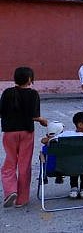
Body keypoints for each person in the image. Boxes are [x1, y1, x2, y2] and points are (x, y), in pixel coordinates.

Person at [1, 67, 48, 208]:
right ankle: (22, 199)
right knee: (24, 165)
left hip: (9, 132)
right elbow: (34, 115)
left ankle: (10, 191)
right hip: (27, 132)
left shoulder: (7, 93)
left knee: (9, 163)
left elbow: (1, 112)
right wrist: (42, 120)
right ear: (29, 79)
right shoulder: (33, 94)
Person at [56, 111, 83, 199]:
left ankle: (74, 188)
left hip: (67, 166)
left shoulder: (65, 135)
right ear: (80, 124)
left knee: (73, 160)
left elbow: (49, 141)